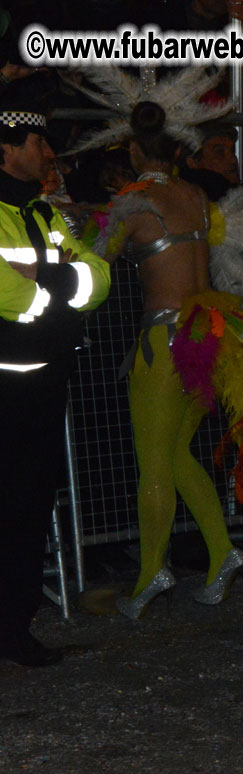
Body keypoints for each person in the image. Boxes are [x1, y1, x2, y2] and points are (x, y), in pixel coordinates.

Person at [106, 101, 243, 619]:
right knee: (179, 453)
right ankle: (222, 551)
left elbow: (102, 256)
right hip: (207, 335)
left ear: (132, 148)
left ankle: (150, 575)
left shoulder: (135, 201)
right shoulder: (193, 194)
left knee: (153, 464)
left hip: (163, 343)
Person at [0, 78, 110, 665]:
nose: (48, 151)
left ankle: (13, 629)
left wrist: (54, 286)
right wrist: (59, 290)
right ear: (5, 151)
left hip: (43, 386)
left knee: (29, 507)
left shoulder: (45, 214)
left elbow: (99, 277)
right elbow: (9, 297)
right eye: (35, 140)